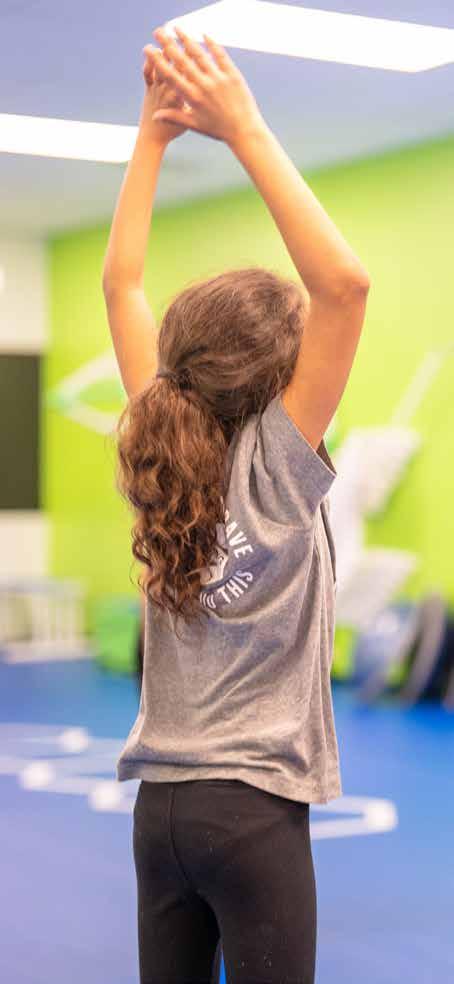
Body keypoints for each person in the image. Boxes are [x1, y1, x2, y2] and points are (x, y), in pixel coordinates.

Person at [102, 24, 370, 984]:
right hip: (253, 815)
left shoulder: (156, 448)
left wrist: (153, 134)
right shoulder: (281, 469)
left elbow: (122, 283)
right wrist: (242, 125)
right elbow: (345, 286)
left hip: (160, 814)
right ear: (279, 379)